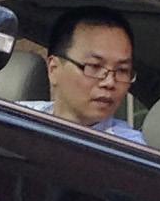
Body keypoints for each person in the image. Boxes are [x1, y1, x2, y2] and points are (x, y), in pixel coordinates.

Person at [24, 8, 145, 143]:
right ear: (53, 69)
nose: (110, 82)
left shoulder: (129, 150)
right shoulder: (14, 118)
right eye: (94, 66)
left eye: (122, 70)